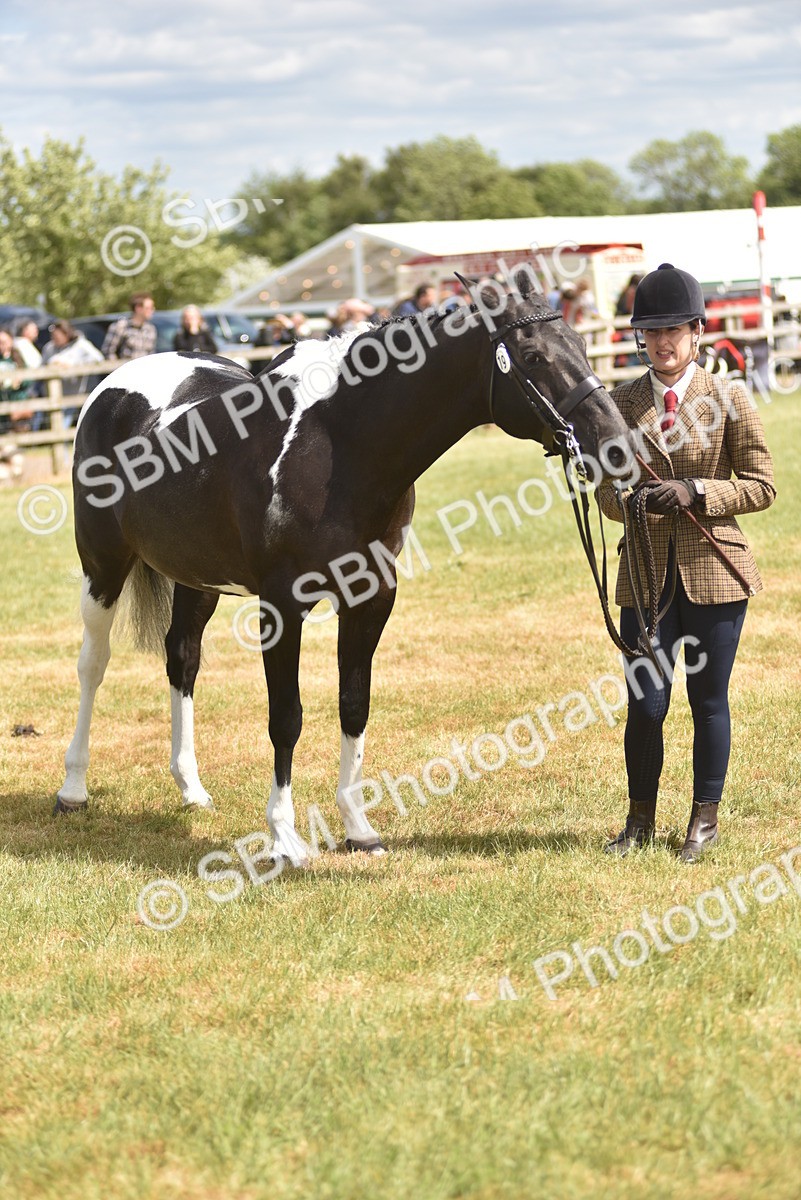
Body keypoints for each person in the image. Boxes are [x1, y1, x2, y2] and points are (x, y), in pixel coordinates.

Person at [598, 263, 775, 862]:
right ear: (639, 337)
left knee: (708, 699)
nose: (663, 343)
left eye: (674, 329)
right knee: (646, 702)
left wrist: (699, 491)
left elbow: (761, 486)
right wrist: (634, 501)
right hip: (646, 576)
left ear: (697, 331)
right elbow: (605, 494)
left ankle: (704, 817)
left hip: (716, 574)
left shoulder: (728, 396)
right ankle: (639, 819)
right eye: (651, 332)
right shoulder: (619, 404)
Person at [41, 320, 105, 426]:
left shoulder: (82, 345)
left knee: (64, 423)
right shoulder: (49, 348)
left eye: (57, 335)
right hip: (51, 393)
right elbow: (42, 366)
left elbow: (99, 359)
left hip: (74, 392)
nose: (55, 338)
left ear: (66, 333)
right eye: (53, 336)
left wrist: (74, 365)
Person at [102, 292, 157, 360]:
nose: (152, 310)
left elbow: (151, 354)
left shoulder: (150, 329)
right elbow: (108, 351)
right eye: (149, 308)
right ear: (138, 308)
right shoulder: (120, 327)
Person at [0, 328, 33, 433]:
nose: (2, 345)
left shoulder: (17, 357)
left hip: (17, 398)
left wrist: (20, 381)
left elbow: (29, 378)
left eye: (4, 342)